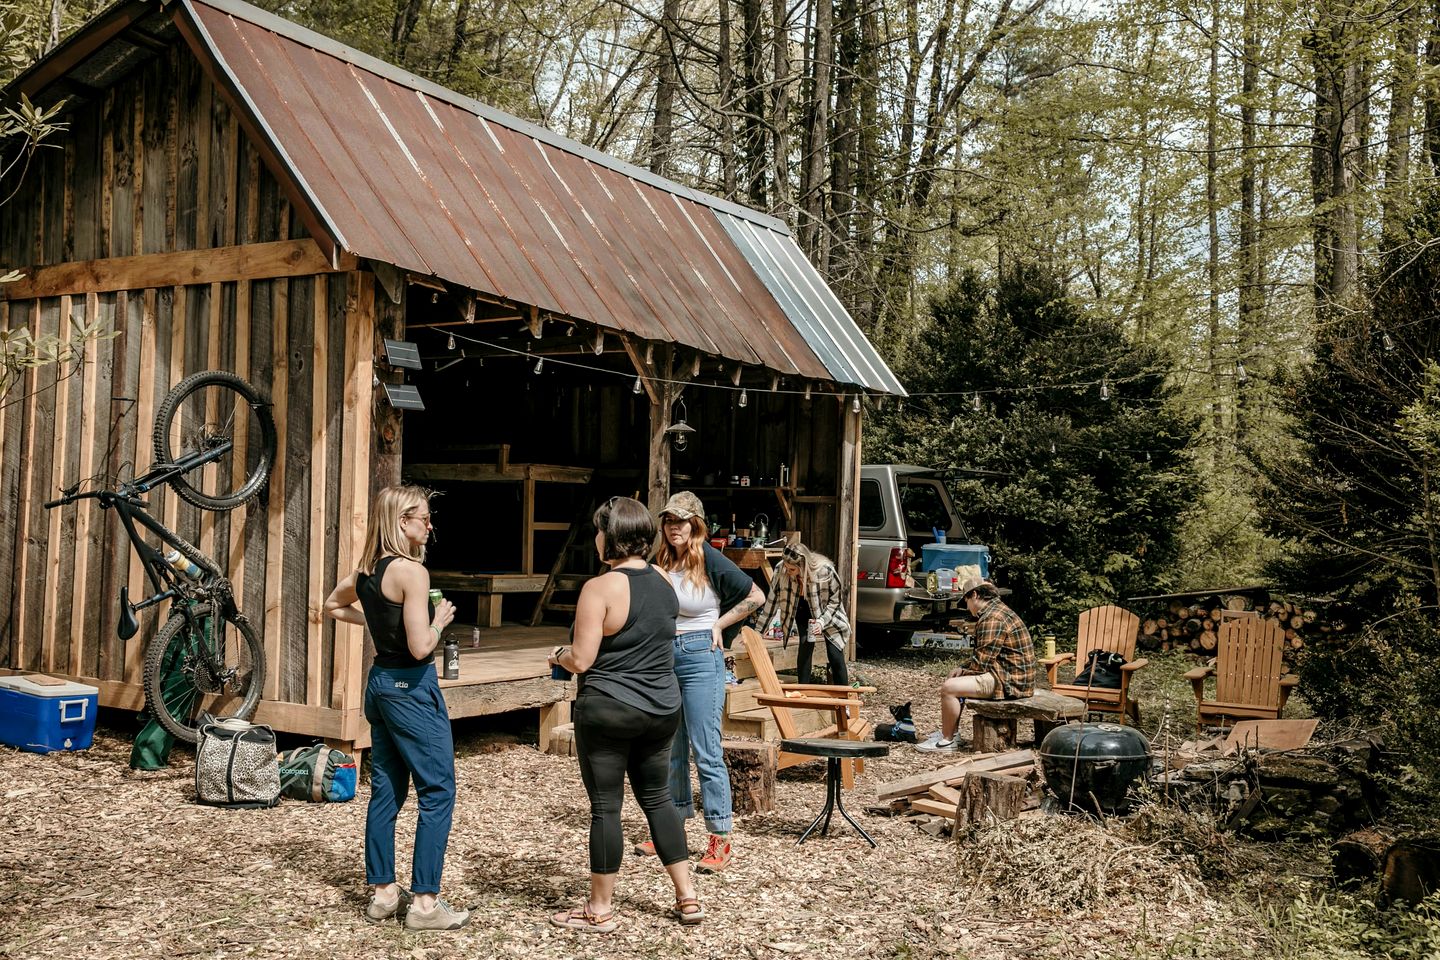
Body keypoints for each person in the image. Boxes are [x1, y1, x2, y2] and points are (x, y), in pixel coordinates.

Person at [546, 497, 703, 932]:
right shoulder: (662, 581)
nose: (595, 538)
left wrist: (558, 654)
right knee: (658, 799)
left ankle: (599, 910)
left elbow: (581, 658)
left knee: (606, 808)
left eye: (599, 530)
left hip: (612, 710)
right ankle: (687, 897)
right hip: (662, 709)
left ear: (610, 537)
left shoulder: (599, 588)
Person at [322, 484, 470, 930]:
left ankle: (384, 893)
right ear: (402, 522)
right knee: (438, 791)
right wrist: (438, 622)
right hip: (411, 688)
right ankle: (425, 903)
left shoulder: (366, 571)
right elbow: (421, 647)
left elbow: (331, 605)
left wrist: (376, 617)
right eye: (423, 518)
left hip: (380, 685)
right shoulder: (412, 573)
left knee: (387, 790)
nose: (430, 525)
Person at [638, 491, 764, 873]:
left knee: (705, 748)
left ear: (696, 523)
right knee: (669, 748)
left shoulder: (709, 557)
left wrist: (719, 624)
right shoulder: (659, 559)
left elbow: (755, 595)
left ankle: (719, 838)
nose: (674, 527)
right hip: (662, 656)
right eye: (669, 521)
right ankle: (672, 827)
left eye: (682, 520)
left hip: (698, 656)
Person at [916, 577, 1036, 753]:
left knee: (949, 688)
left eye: (966, 601)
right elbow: (984, 654)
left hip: (1010, 682)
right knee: (956, 681)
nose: (967, 607)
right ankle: (950, 733)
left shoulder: (992, 618)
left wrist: (964, 672)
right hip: (1012, 676)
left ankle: (948, 741)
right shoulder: (998, 611)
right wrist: (963, 668)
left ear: (974, 594)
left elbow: (981, 665)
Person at [753, 541, 851, 686]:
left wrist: (822, 621)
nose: (788, 571)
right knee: (805, 644)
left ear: (803, 566)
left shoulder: (825, 570)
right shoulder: (781, 570)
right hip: (802, 607)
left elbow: (835, 601)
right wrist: (758, 632)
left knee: (835, 653)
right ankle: (803, 688)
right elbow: (771, 602)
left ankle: (845, 698)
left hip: (827, 611)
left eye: (792, 569)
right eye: (786, 567)